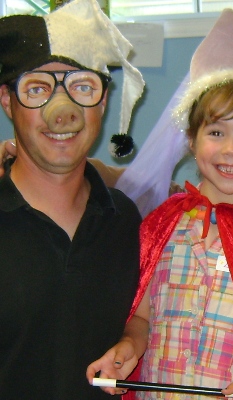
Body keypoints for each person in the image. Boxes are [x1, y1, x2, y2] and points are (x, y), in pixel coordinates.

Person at [87, 9, 233, 400]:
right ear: (191, 139)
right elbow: (142, 317)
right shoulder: (161, 226)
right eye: (217, 132)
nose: (231, 149)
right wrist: (130, 345)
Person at [0, 0, 145, 398]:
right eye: (37, 89)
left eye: (82, 87)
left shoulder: (125, 220)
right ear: (7, 100)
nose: (61, 111)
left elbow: (143, 317)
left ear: (103, 101)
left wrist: (133, 341)